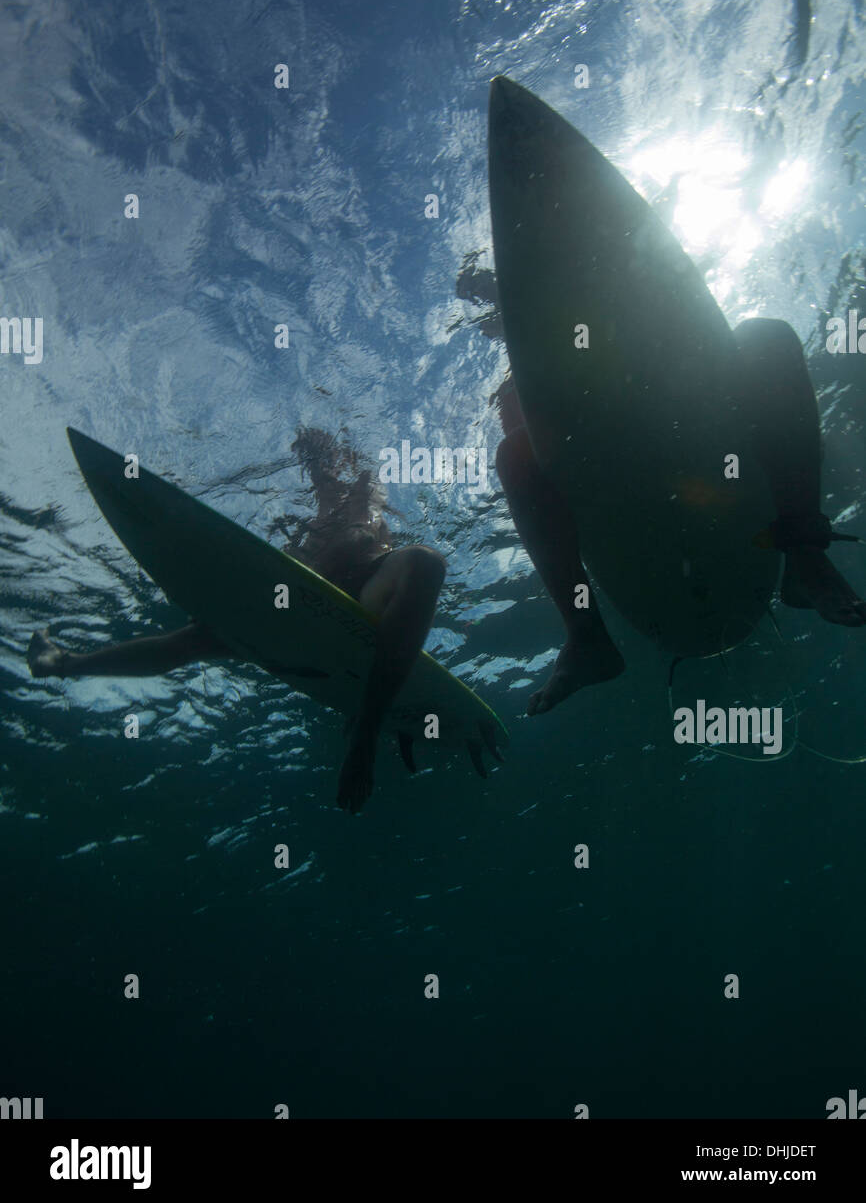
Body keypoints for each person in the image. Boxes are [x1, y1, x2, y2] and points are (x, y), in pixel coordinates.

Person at [456, 253, 866, 718]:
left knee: (764, 337)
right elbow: (541, 458)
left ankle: (806, 553)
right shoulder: (518, 388)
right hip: (615, 490)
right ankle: (586, 636)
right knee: (514, 450)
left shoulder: (621, 302)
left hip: (689, 426)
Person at [28, 426, 446, 814]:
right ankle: (62, 663)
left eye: (327, 465)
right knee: (190, 641)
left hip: (361, 593)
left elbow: (362, 497)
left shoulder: (363, 502)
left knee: (424, 564)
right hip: (289, 606)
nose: (328, 475)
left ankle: (368, 731)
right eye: (321, 467)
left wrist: (342, 478)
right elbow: (317, 505)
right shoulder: (321, 508)